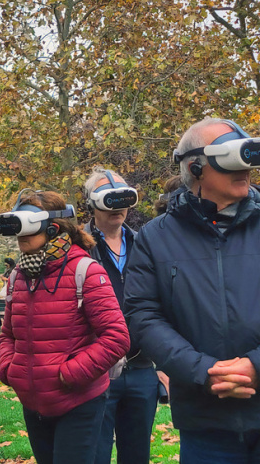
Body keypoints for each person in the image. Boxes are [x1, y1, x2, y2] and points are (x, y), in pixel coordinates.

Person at [125, 117, 260, 464]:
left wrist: (256, 366)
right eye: (232, 157)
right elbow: (143, 315)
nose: (245, 168)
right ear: (195, 166)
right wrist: (204, 370)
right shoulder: (155, 239)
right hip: (205, 424)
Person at [0, 190, 129, 464]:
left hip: (78, 403)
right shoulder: (18, 277)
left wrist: (70, 374)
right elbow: (8, 333)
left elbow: (116, 337)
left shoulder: (86, 272)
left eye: (27, 227)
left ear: (53, 229)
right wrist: (9, 368)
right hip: (33, 403)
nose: (20, 236)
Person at [83, 168, 159, 464]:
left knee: (137, 455)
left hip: (141, 367)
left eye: (123, 198)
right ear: (92, 203)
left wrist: (161, 365)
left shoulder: (146, 243)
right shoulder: (78, 247)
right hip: (96, 370)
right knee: (95, 454)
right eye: (108, 198)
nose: (117, 207)